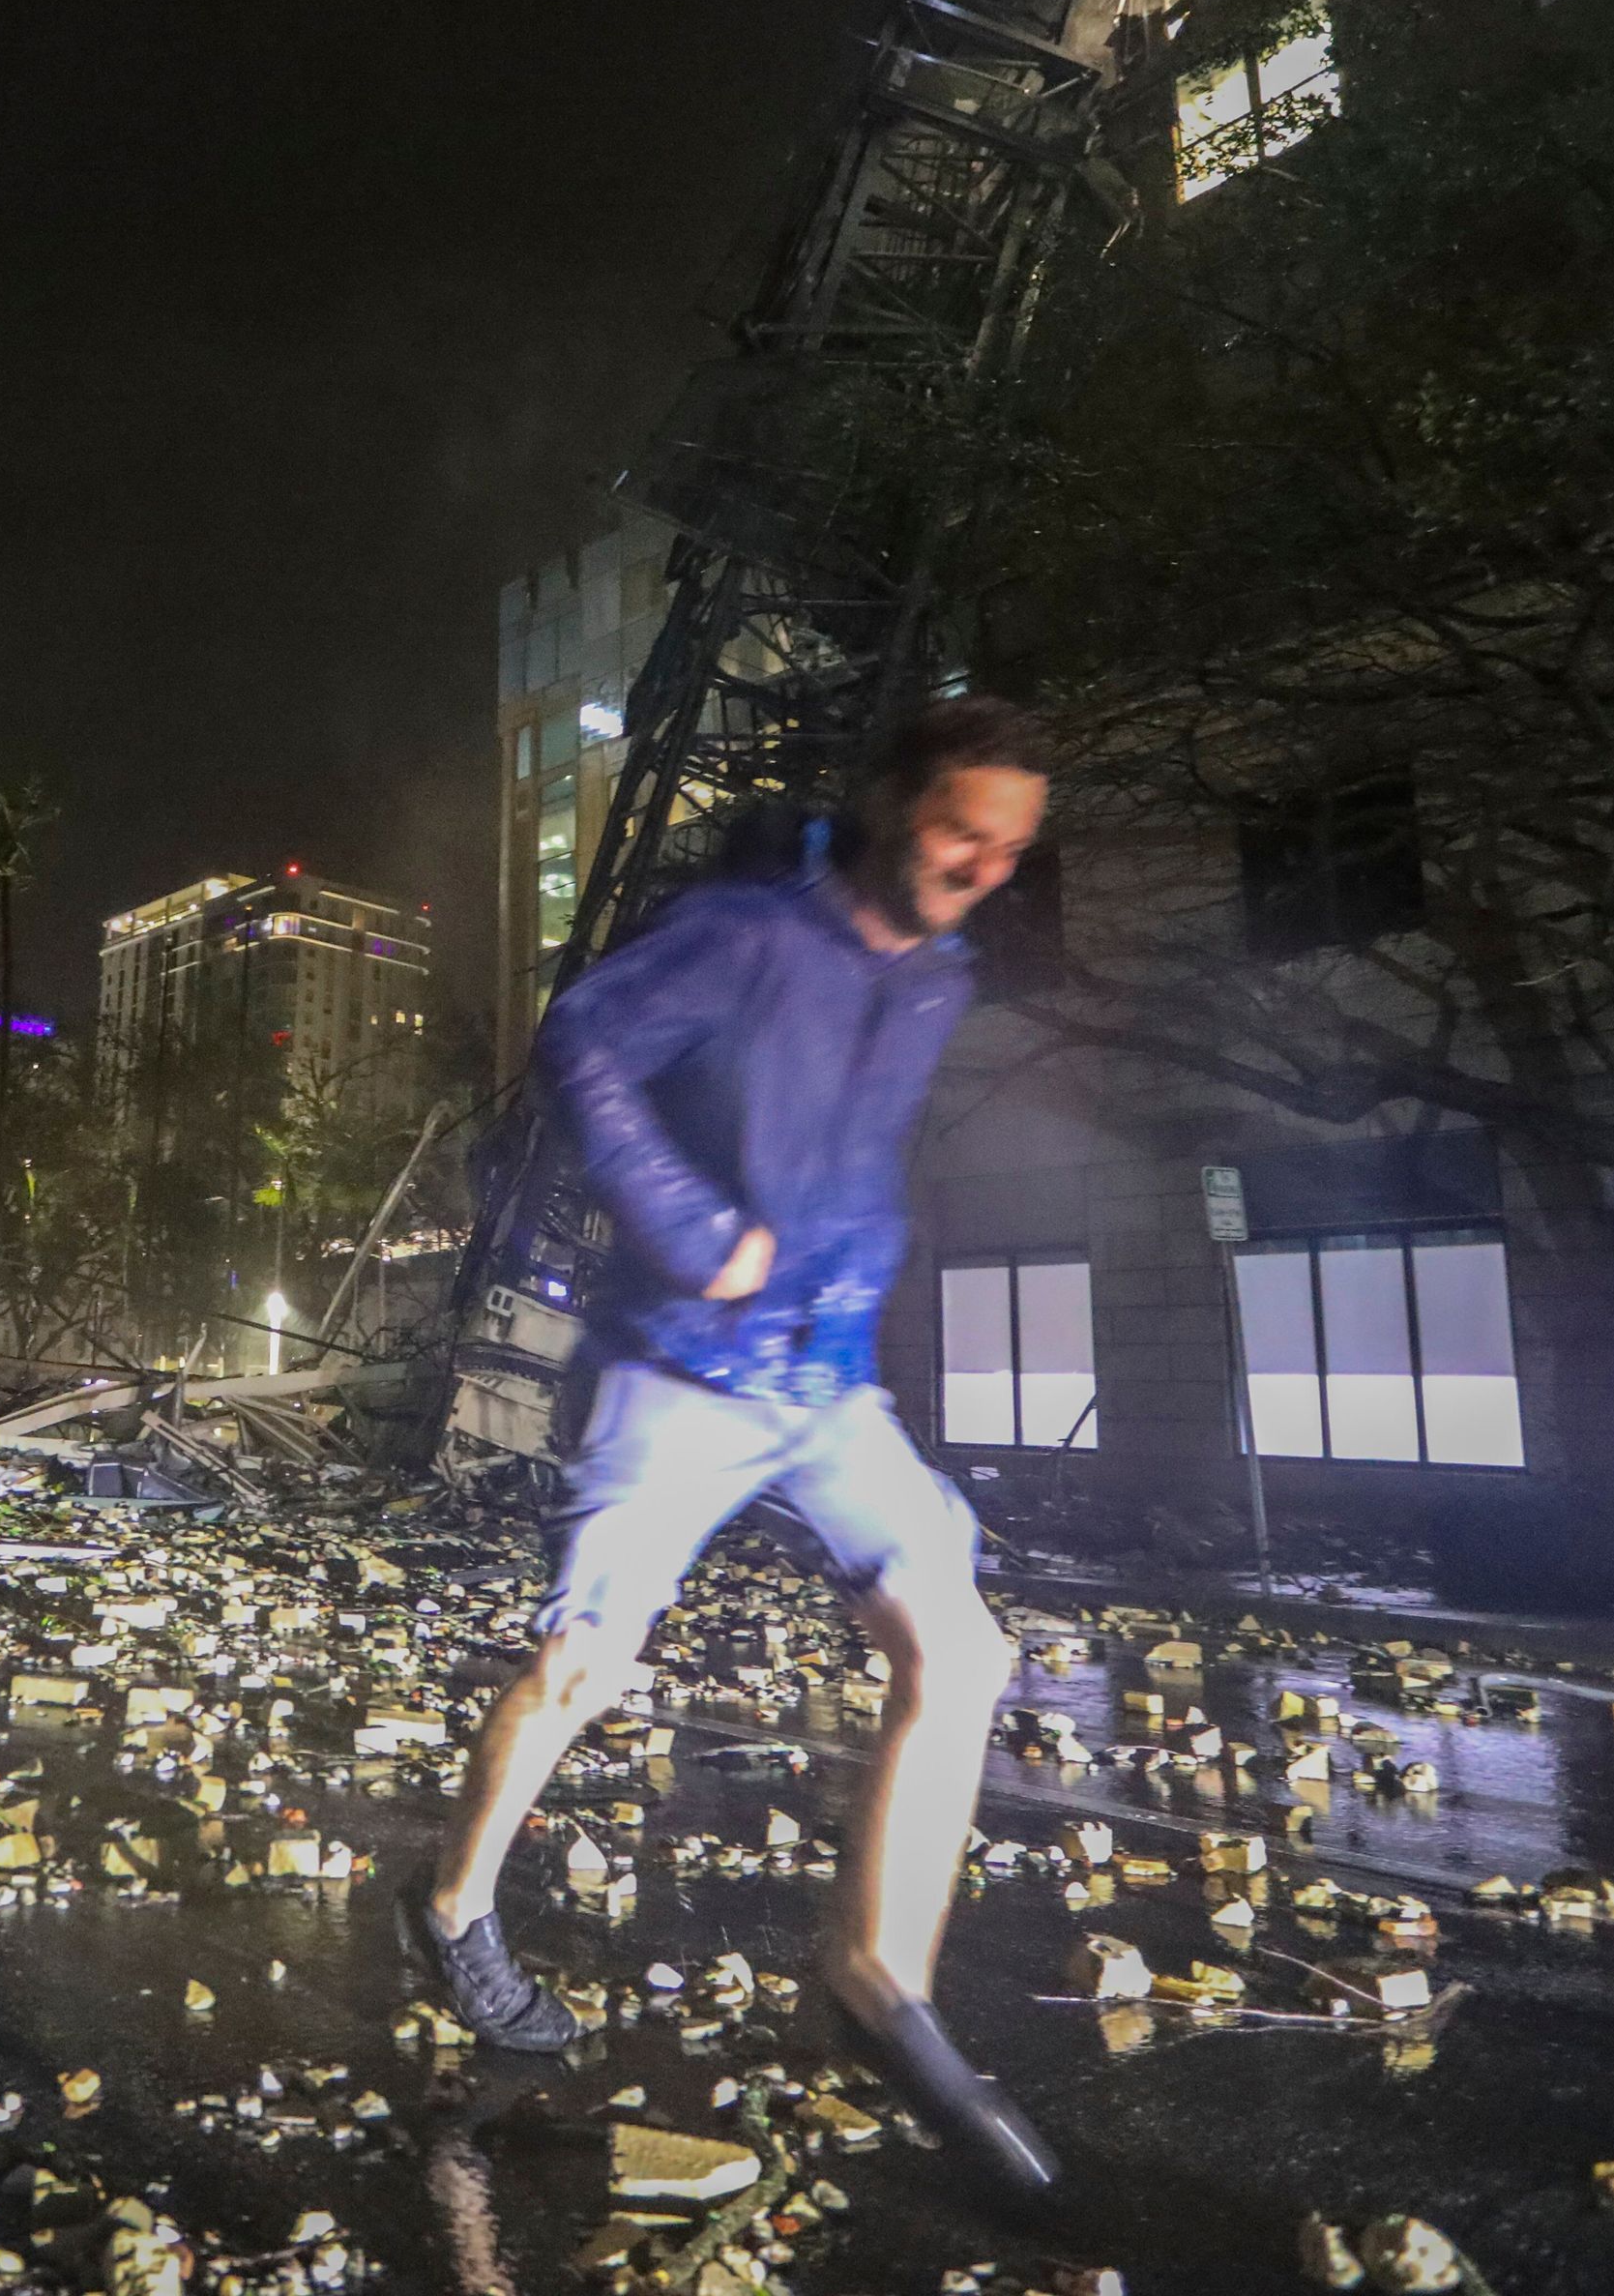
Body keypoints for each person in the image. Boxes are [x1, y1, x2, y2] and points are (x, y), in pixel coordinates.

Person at [404, 692, 1058, 2194]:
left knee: (959, 1654)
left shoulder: (943, 975)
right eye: (963, 830)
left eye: (1011, 847)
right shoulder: (750, 933)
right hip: (682, 1366)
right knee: (584, 1668)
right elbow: (582, 1037)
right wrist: (693, 1230)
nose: (982, 866)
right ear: (895, 800)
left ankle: (875, 1980)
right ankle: (450, 1911)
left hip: (828, 1388)